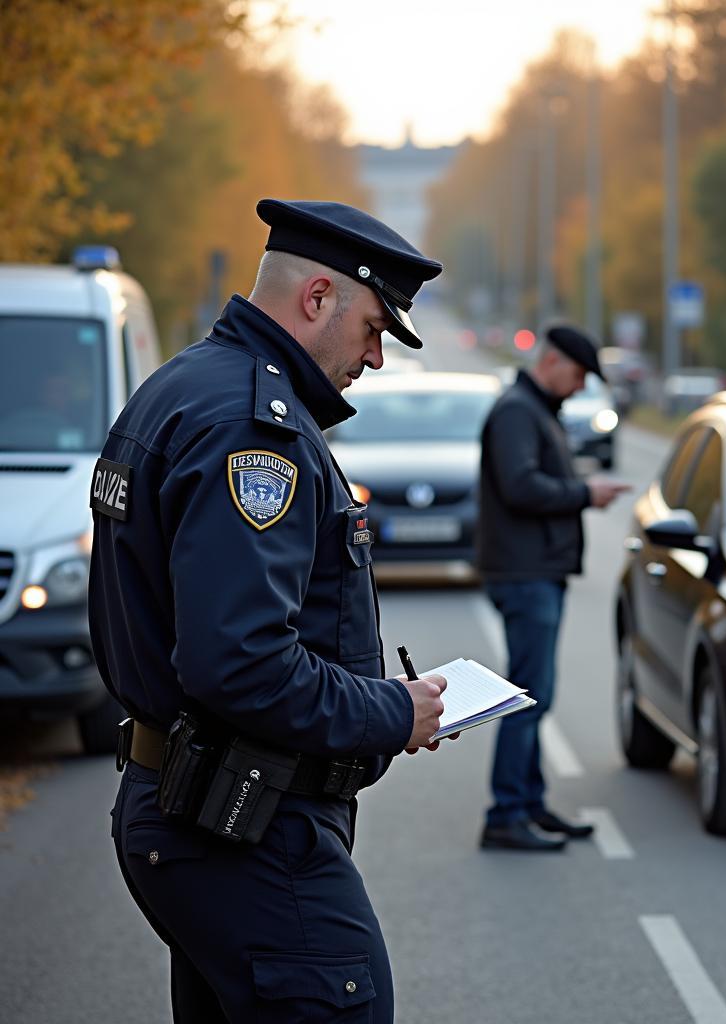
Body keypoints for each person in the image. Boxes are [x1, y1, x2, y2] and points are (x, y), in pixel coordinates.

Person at [89, 199, 453, 1023]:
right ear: (317, 297)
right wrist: (391, 710)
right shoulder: (251, 431)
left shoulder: (186, 386)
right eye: (373, 328)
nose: (376, 357)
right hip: (243, 830)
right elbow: (240, 663)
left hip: (199, 812)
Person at [476, 324, 630, 851]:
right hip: (525, 573)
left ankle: (529, 804)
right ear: (555, 361)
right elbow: (520, 487)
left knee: (533, 694)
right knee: (525, 698)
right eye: (580, 373)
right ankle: (505, 814)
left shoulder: (534, 409)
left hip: (535, 569)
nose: (581, 385)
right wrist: (585, 492)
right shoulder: (519, 411)